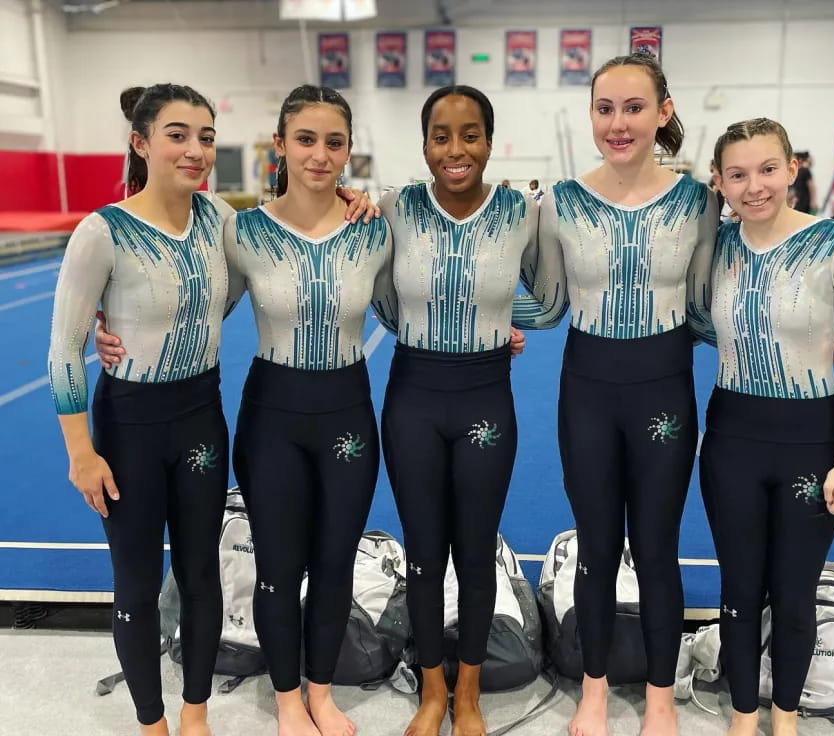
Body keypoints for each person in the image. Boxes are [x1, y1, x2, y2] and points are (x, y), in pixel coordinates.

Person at [94, 85, 383, 736]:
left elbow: (406, 309)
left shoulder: (372, 228)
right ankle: (286, 699)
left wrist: (494, 330)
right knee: (278, 567)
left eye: (334, 141)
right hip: (273, 417)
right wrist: (108, 326)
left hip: (348, 416)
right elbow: (183, 297)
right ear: (278, 145)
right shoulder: (241, 230)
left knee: (335, 562)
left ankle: (320, 691)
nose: (320, 154)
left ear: (349, 150)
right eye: (305, 139)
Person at [513, 53, 718, 736]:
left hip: (663, 389)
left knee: (657, 546)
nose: (618, 123)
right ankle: (594, 689)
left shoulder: (698, 202)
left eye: (634, 108)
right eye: (606, 108)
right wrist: (466, 324)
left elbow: (713, 305)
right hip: (588, 392)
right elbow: (544, 308)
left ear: (662, 112)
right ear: (592, 114)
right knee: (598, 547)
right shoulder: (561, 203)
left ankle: (660, 695)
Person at [49, 83, 234, 736]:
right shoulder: (102, 232)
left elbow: (249, 285)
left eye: (206, 137)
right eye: (178, 135)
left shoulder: (222, 222)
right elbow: (64, 351)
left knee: (200, 573)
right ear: (141, 142)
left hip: (201, 417)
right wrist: (81, 453)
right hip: (129, 427)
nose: (195, 150)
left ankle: (195, 716)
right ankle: (151, 723)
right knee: (135, 584)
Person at [700, 117, 834, 736]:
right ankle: (744, 715)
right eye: (738, 174)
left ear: (792, 169)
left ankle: (786, 716)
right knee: (739, 587)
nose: (755, 186)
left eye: (768, 169)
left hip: (811, 437)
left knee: (794, 590)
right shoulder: (716, 246)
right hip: (731, 438)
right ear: (719, 182)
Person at [377, 85, 541, 736]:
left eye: (469, 134)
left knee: (474, 553)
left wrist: (496, 318)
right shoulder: (394, 208)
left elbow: (554, 300)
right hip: (413, 395)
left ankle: (468, 693)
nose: (455, 149)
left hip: (484, 397)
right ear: (423, 144)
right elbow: (380, 299)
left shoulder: (521, 212)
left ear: (489, 142)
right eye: (441, 135)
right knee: (422, 553)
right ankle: (432, 692)